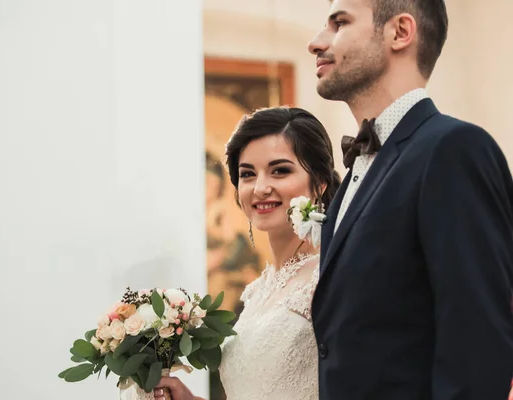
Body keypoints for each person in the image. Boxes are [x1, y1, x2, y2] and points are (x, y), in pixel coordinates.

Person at [307, 0, 513, 399]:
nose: (316, 43)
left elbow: (477, 342)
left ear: (400, 32)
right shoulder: (354, 177)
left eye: (339, 23)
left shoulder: (454, 149)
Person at [152, 106, 341, 399]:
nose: (260, 188)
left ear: (320, 183)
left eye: (280, 171)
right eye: (248, 174)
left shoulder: (330, 278)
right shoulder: (255, 292)